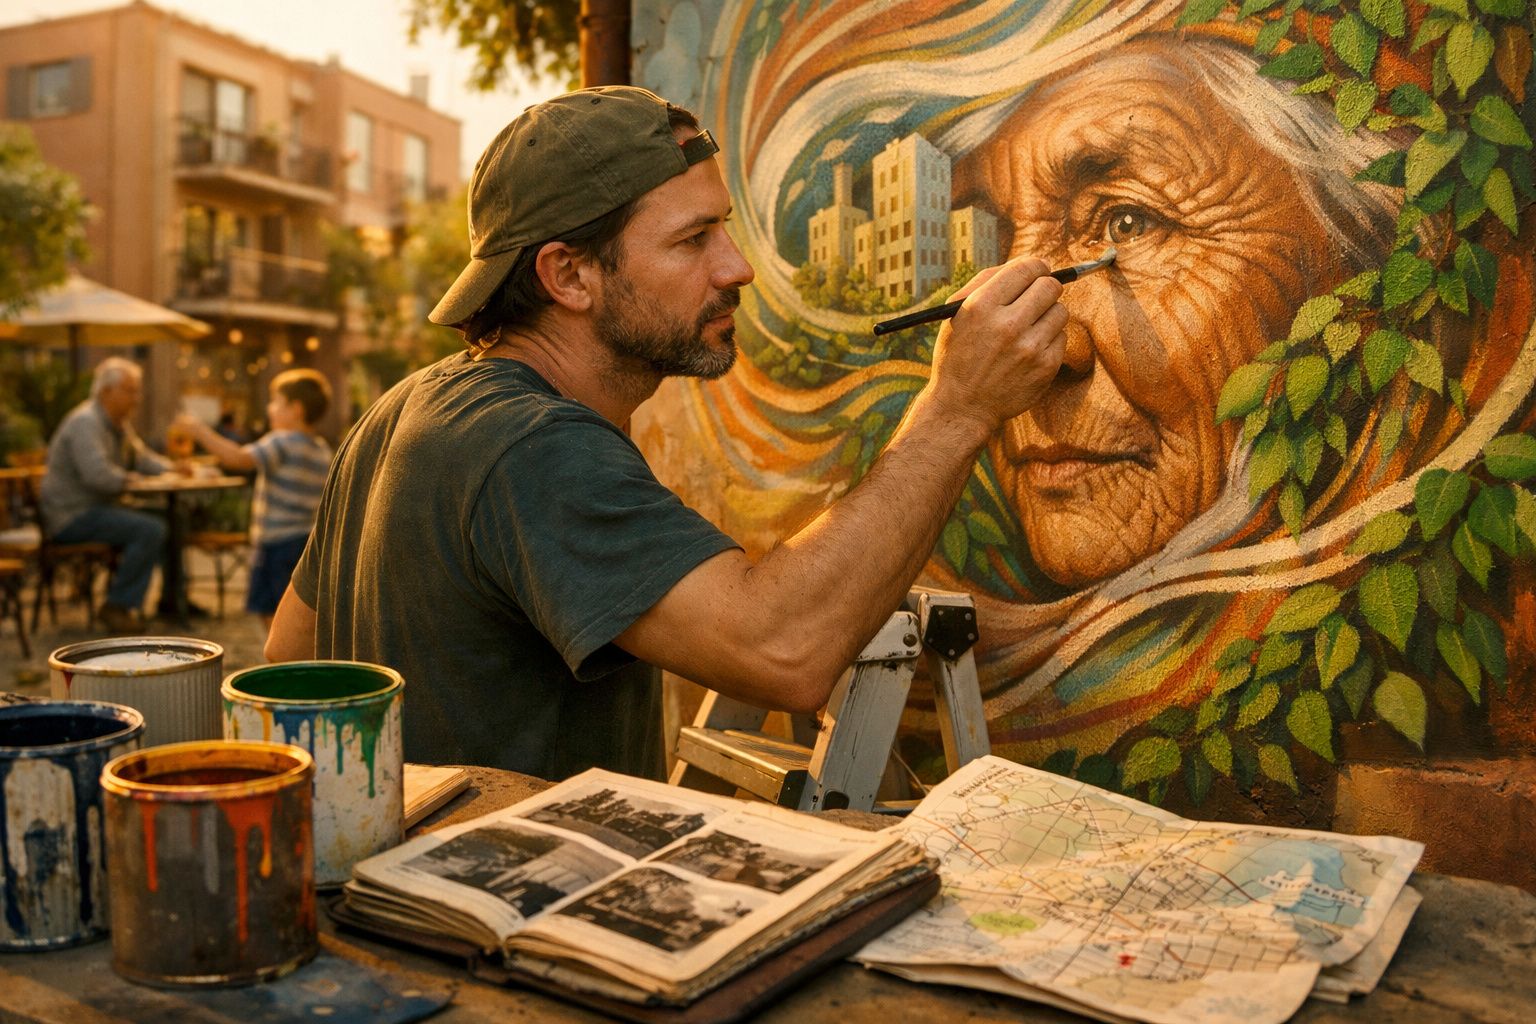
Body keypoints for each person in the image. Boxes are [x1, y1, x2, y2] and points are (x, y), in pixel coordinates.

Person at [265, 85, 1069, 780]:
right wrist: (959, 406)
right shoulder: (534, 447)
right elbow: (783, 652)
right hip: (511, 931)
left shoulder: (406, 407)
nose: (737, 268)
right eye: (693, 240)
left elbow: (288, 654)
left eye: (722, 227)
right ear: (569, 275)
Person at [176, 369, 332, 627]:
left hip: (276, 544)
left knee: (271, 610)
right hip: (304, 543)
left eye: (276, 402)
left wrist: (199, 431)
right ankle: (295, 657)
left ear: (296, 409)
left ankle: (283, 662)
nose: (270, 408)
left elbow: (240, 459)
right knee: (295, 611)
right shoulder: (320, 448)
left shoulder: (282, 441)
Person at [40, 357, 171, 634]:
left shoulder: (118, 423)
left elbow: (142, 458)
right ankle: (117, 606)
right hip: (72, 515)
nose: (136, 398)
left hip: (98, 509)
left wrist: (176, 469)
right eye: (130, 390)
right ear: (106, 391)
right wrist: (130, 480)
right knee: (149, 529)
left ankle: (173, 599)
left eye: (137, 390)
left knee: (172, 516)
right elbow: (97, 475)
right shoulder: (86, 423)